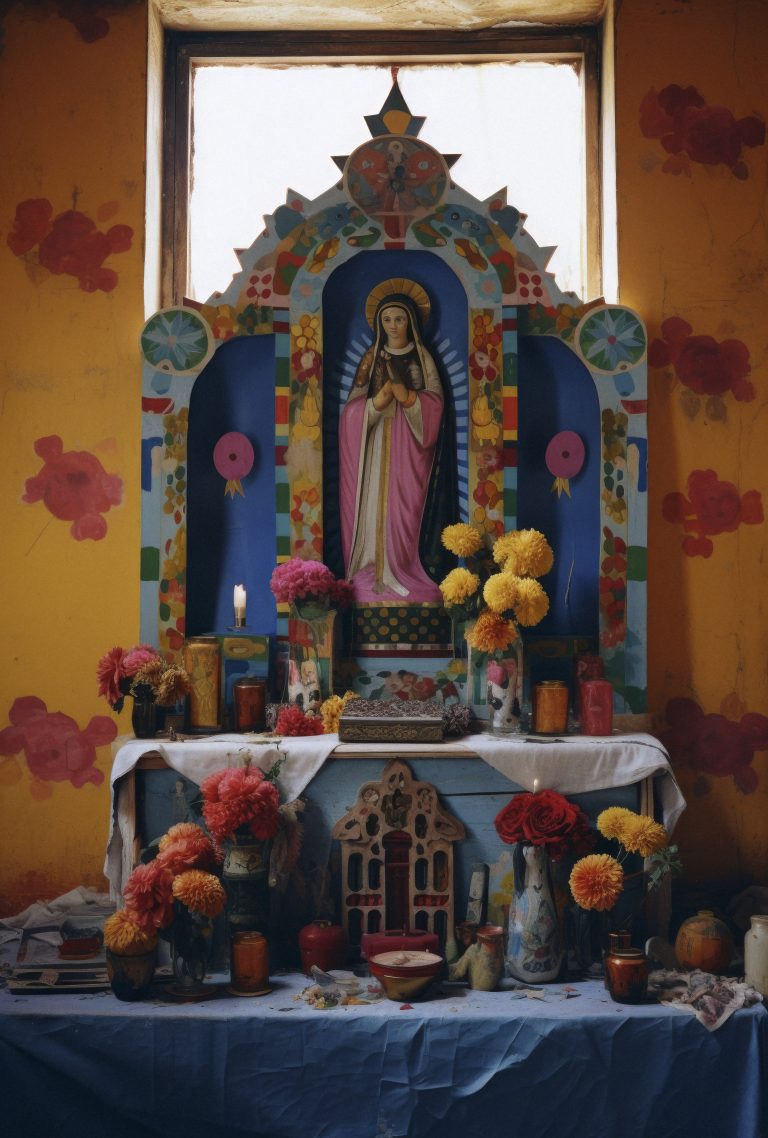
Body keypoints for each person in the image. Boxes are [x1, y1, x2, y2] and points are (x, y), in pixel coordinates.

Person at [339, 279, 444, 602]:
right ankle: (371, 569)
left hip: (409, 447)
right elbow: (350, 412)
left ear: (410, 322)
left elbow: (436, 405)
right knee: (373, 508)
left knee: (405, 513)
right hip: (373, 445)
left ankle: (403, 568)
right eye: (387, 319)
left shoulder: (423, 358)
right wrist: (376, 403)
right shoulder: (371, 358)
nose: (393, 325)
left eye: (399, 319)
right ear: (378, 323)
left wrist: (408, 397)